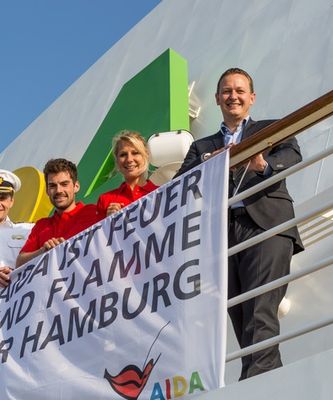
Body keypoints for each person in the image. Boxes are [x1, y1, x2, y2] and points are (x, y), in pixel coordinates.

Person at [175, 68, 304, 380]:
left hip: (265, 226)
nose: (233, 96)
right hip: (222, 236)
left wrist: (262, 164)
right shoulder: (200, 147)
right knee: (238, 313)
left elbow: (292, 156)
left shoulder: (272, 128)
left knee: (260, 308)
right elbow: (179, 186)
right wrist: (208, 165)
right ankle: (267, 379)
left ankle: (254, 384)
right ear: (218, 99)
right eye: (227, 91)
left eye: (240, 90)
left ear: (252, 98)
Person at [15, 158, 99, 267]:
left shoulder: (95, 212)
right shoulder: (41, 225)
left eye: (64, 184)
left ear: (76, 186)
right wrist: (43, 251)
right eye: (53, 186)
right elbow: (19, 263)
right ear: (47, 191)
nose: (58, 190)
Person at [96, 130, 159, 217]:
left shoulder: (160, 193)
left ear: (146, 156)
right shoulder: (105, 200)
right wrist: (109, 221)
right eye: (123, 155)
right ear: (117, 161)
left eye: (135, 153)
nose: (129, 159)